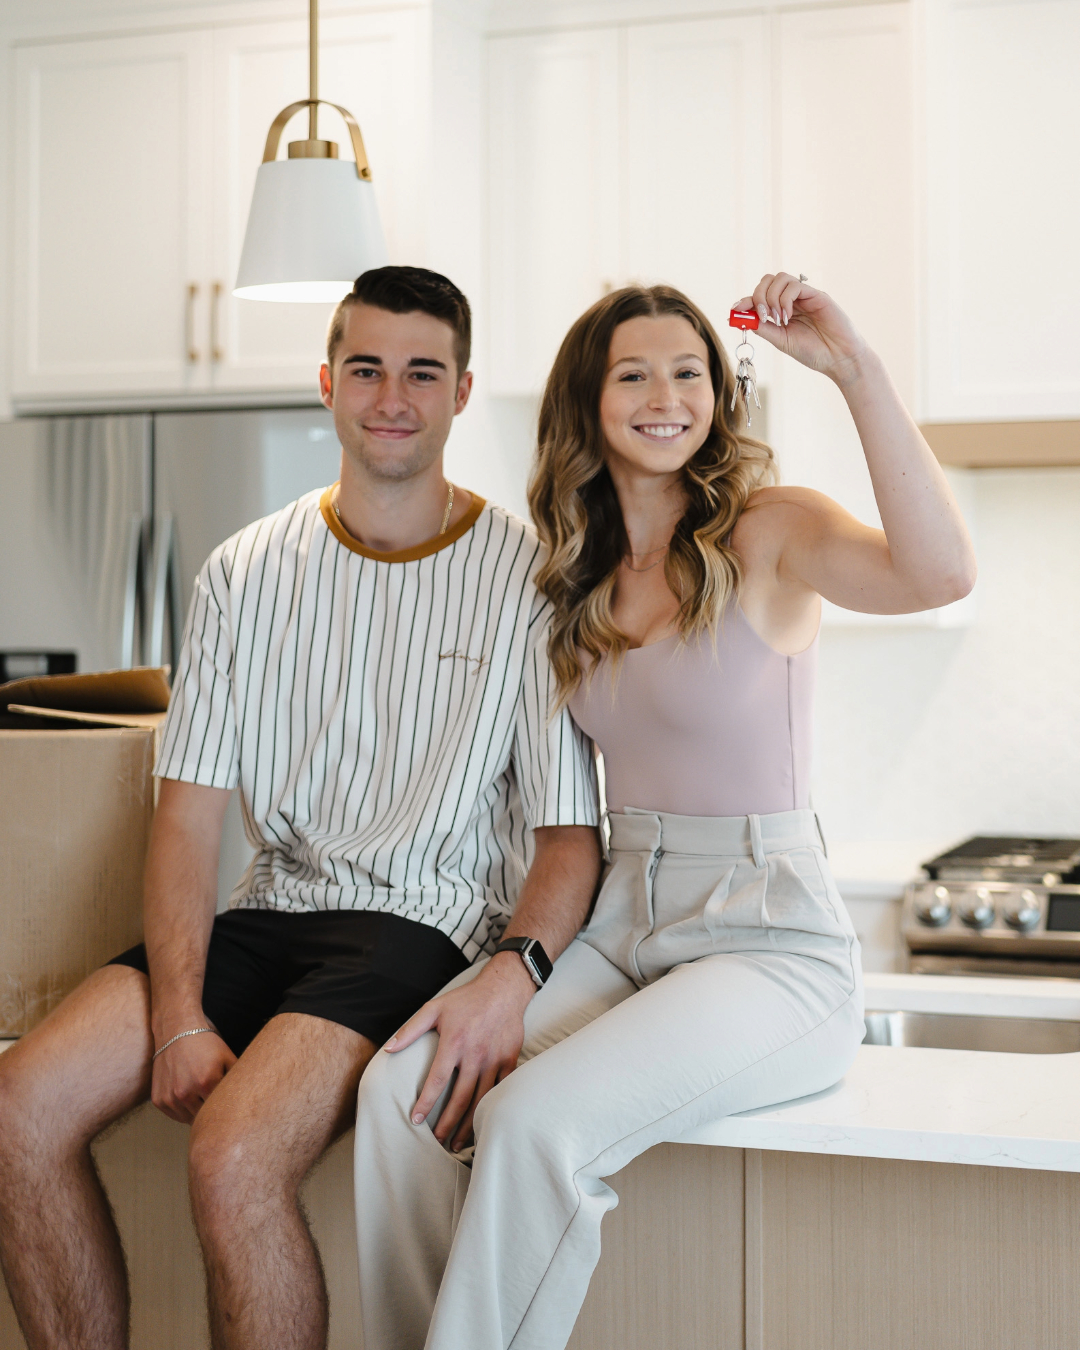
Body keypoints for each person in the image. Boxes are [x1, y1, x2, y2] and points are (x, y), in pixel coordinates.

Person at [353, 272, 977, 1350]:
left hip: (768, 944)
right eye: (633, 373)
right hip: (621, 927)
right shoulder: (577, 575)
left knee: (533, 1123)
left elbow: (941, 573)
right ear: (589, 404)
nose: (665, 395)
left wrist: (853, 370)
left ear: (719, 397)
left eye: (689, 372)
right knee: (401, 1091)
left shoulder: (772, 533)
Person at [0, 266, 602, 1350]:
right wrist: (180, 1015)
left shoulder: (529, 580)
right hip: (265, 909)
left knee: (231, 1158)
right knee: (15, 1110)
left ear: (463, 392)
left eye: (423, 372)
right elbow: (185, 823)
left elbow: (570, 838)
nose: (392, 397)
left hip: (420, 924)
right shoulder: (242, 572)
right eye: (366, 368)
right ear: (326, 382)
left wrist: (516, 977)